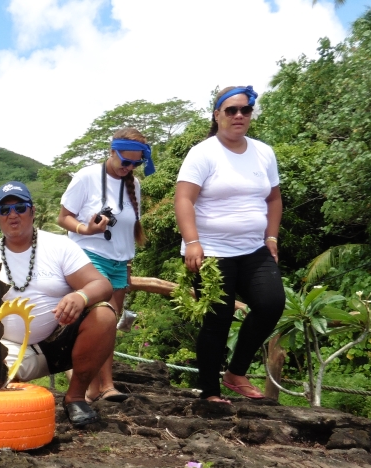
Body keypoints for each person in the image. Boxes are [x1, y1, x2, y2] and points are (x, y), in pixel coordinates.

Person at [0, 181, 115, 427]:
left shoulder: (60, 246)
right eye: (5, 210)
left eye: (20, 207)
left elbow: (102, 285)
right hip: (8, 349)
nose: (13, 214)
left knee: (104, 315)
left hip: (59, 341)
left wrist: (80, 296)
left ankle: (75, 398)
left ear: (33, 211)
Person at [174, 85, 285, 403]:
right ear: (217, 115)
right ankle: (210, 391)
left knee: (271, 304)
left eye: (245, 110)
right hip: (210, 252)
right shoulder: (203, 153)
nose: (239, 116)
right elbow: (183, 199)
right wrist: (192, 242)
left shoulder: (264, 153)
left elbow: (274, 199)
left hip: (253, 249)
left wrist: (272, 236)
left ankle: (236, 373)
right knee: (217, 319)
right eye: (231, 110)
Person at [57, 127, 154, 404]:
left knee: (109, 326)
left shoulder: (134, 185)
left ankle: (102, 386)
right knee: (98, 319)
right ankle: (94, 385)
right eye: (125, 161)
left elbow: (127, 229)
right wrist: (85, 229)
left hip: (120, 263)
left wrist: (128, 260)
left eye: (135, 163)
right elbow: (63, 217)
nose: (129, 168)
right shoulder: (87, 176)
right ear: (111, 151)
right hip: (88, 257)